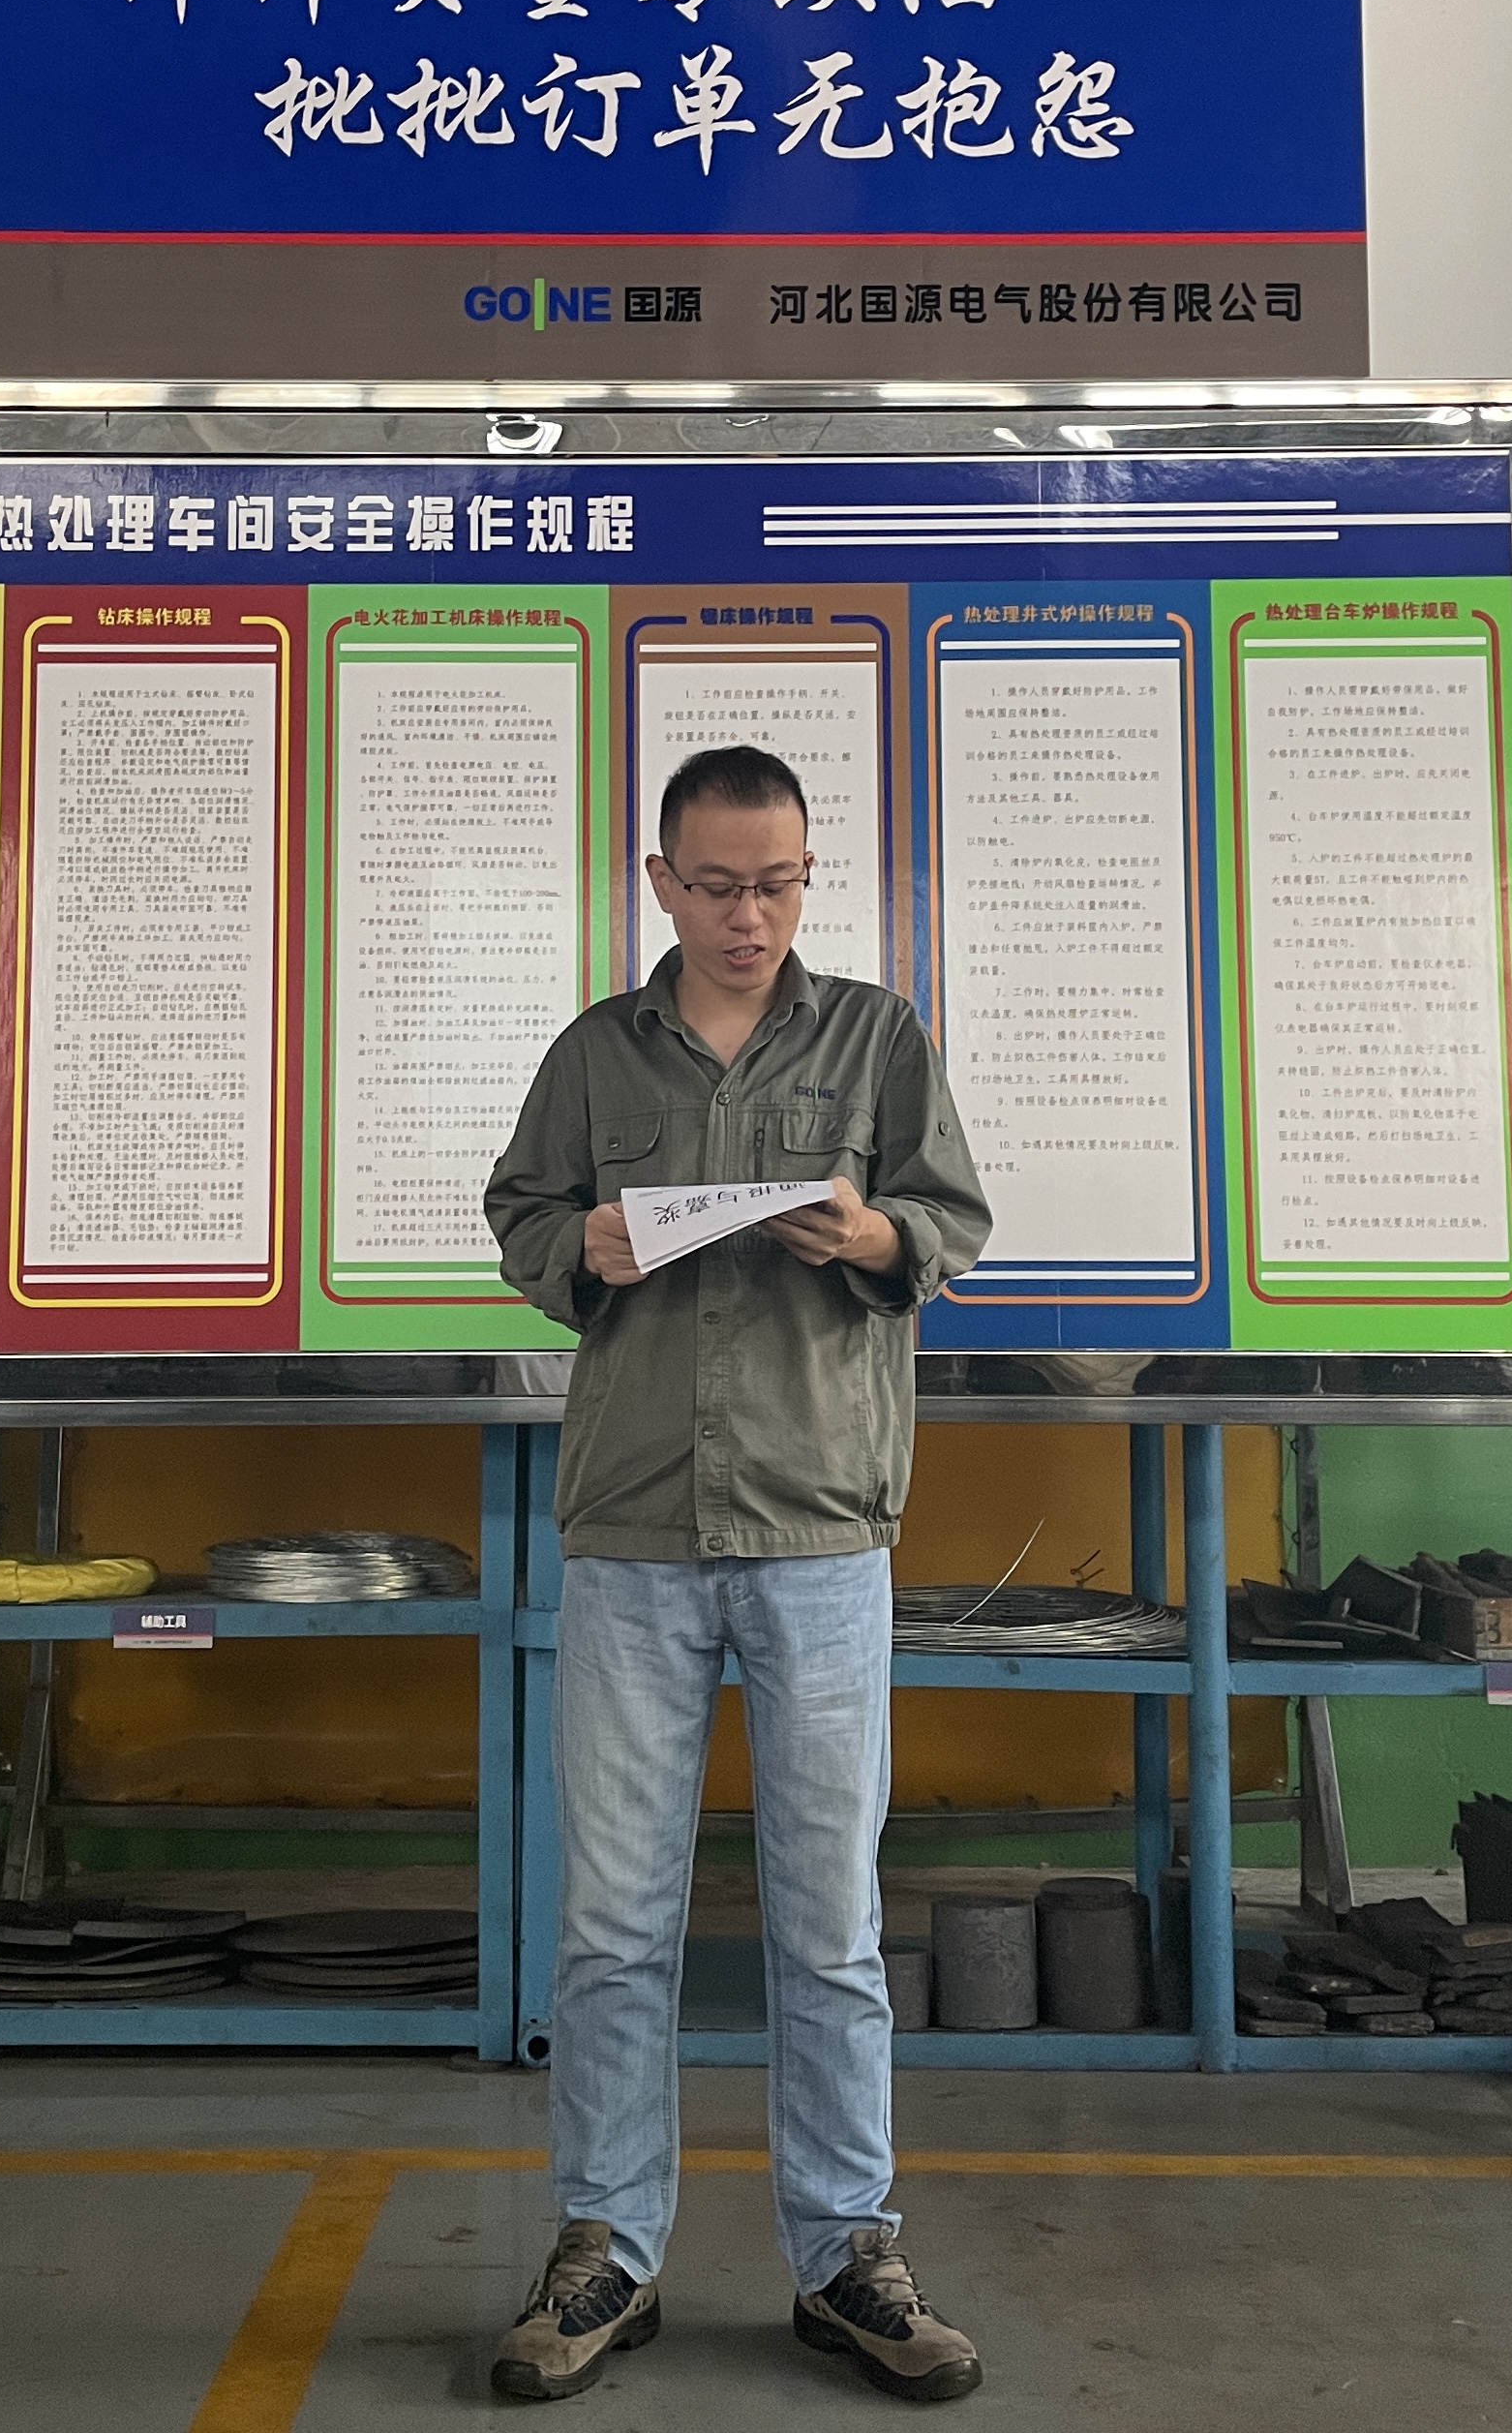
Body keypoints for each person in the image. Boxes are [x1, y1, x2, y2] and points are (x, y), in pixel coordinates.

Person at [481, 744, 994, 2405]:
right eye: (716, 886)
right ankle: (606, 2248)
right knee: (612, 1926)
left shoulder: (877, 1040)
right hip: (633, 1528)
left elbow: (951, 1220)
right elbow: (520, 1213)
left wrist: (874, 1237)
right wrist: (578, 1247)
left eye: (777, 885)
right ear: (662, 882)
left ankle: (847, 2256)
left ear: (806, 878)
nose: (748, 917)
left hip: (820, 1526)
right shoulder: (594, 1052)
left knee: (829, 1925)